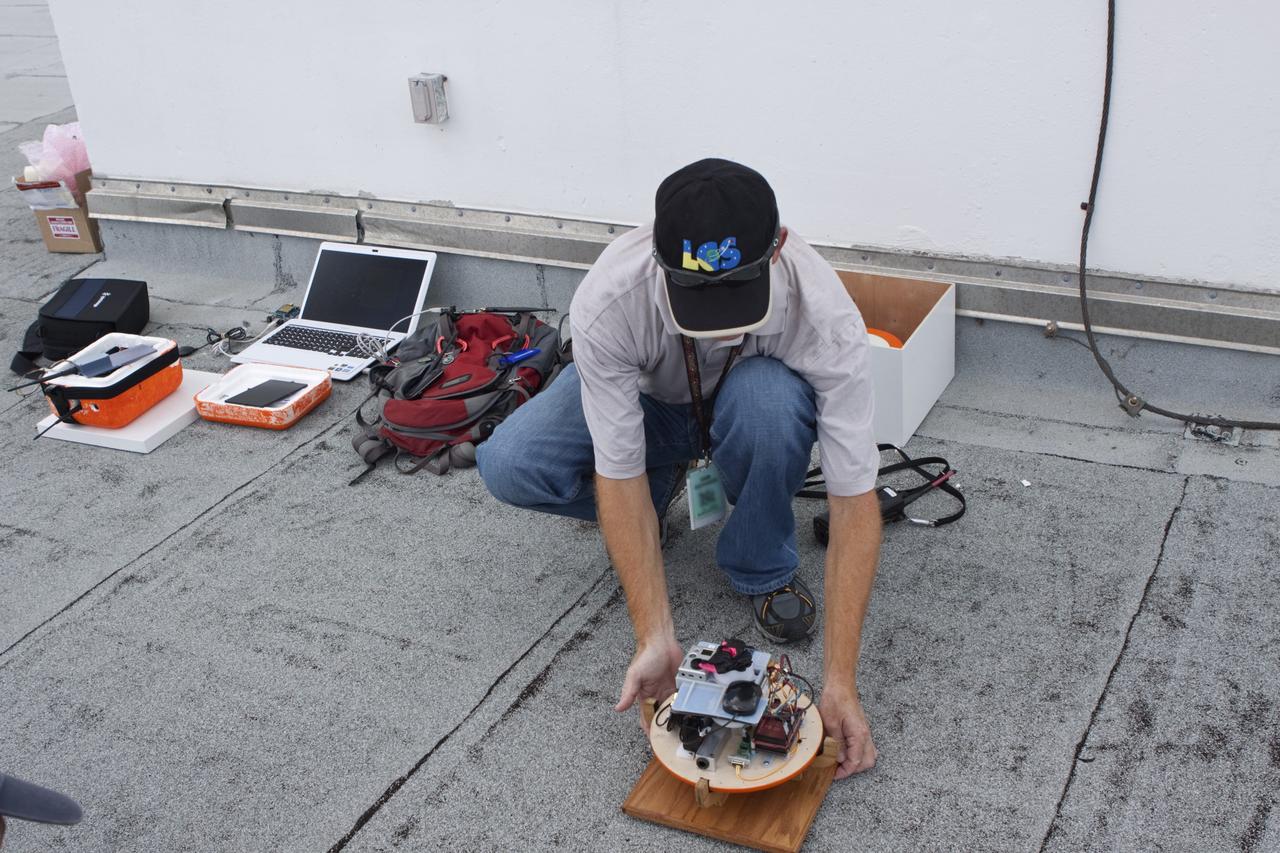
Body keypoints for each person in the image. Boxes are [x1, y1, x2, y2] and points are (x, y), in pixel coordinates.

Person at [477, 158, 882, 778]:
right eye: (696, 297)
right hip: (654, 408)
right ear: (658, 259)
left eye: (735, 297)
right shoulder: (610, 296)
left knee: (769, 406)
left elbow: (856, 500)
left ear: (778, 249)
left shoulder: (824, 313)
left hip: (752, 405)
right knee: (510, 462)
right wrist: (654, 636)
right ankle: (656, 499)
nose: (719, 323)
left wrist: (841, 682)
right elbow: (616, 467)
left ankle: (761, 565)